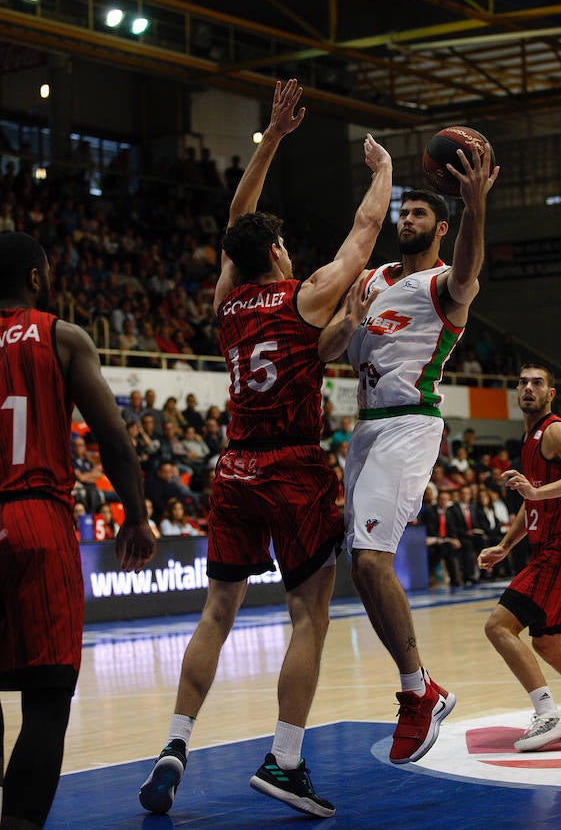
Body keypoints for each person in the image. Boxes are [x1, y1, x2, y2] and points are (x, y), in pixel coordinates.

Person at [139, 77, 393, 820]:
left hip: (235, 468)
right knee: (307, 615)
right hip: (292, 466)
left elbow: (234, 221)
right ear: (277, 253)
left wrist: (274, 137)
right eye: (280, 241)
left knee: (217, 610)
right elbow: (364, 234)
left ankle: (173, 747)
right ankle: (285, 761)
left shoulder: (224, 307)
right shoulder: (302, 295)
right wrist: (381, 172)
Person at [317, 140, 499, 764]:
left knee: (369, 561)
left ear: (441, 227)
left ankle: (417, 690)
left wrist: (475, 208)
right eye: (403, 213)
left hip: (409, 425)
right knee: (361, 566)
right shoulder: (368, 281)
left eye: (420, 214)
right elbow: (327, 351)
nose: (406, 221)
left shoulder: (441, 285)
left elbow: (470, 271)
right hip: (364, 429)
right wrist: (347, 319)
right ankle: (424, 688)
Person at [0, 232, 155, 829]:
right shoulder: (61, 335)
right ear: (36, 280)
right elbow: (113, 439)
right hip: (36, 517)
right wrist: (137, 516)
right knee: (46, 699)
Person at [478, 363, 561, 752]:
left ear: (551, 394)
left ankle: (548, 714)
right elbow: (532, 502)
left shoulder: (556, 430)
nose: (528, 388)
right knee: (547, 643)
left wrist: (537, 494)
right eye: (522, 383)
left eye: (537, 383)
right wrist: (505, 545)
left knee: (498, 626)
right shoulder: (529, 436)